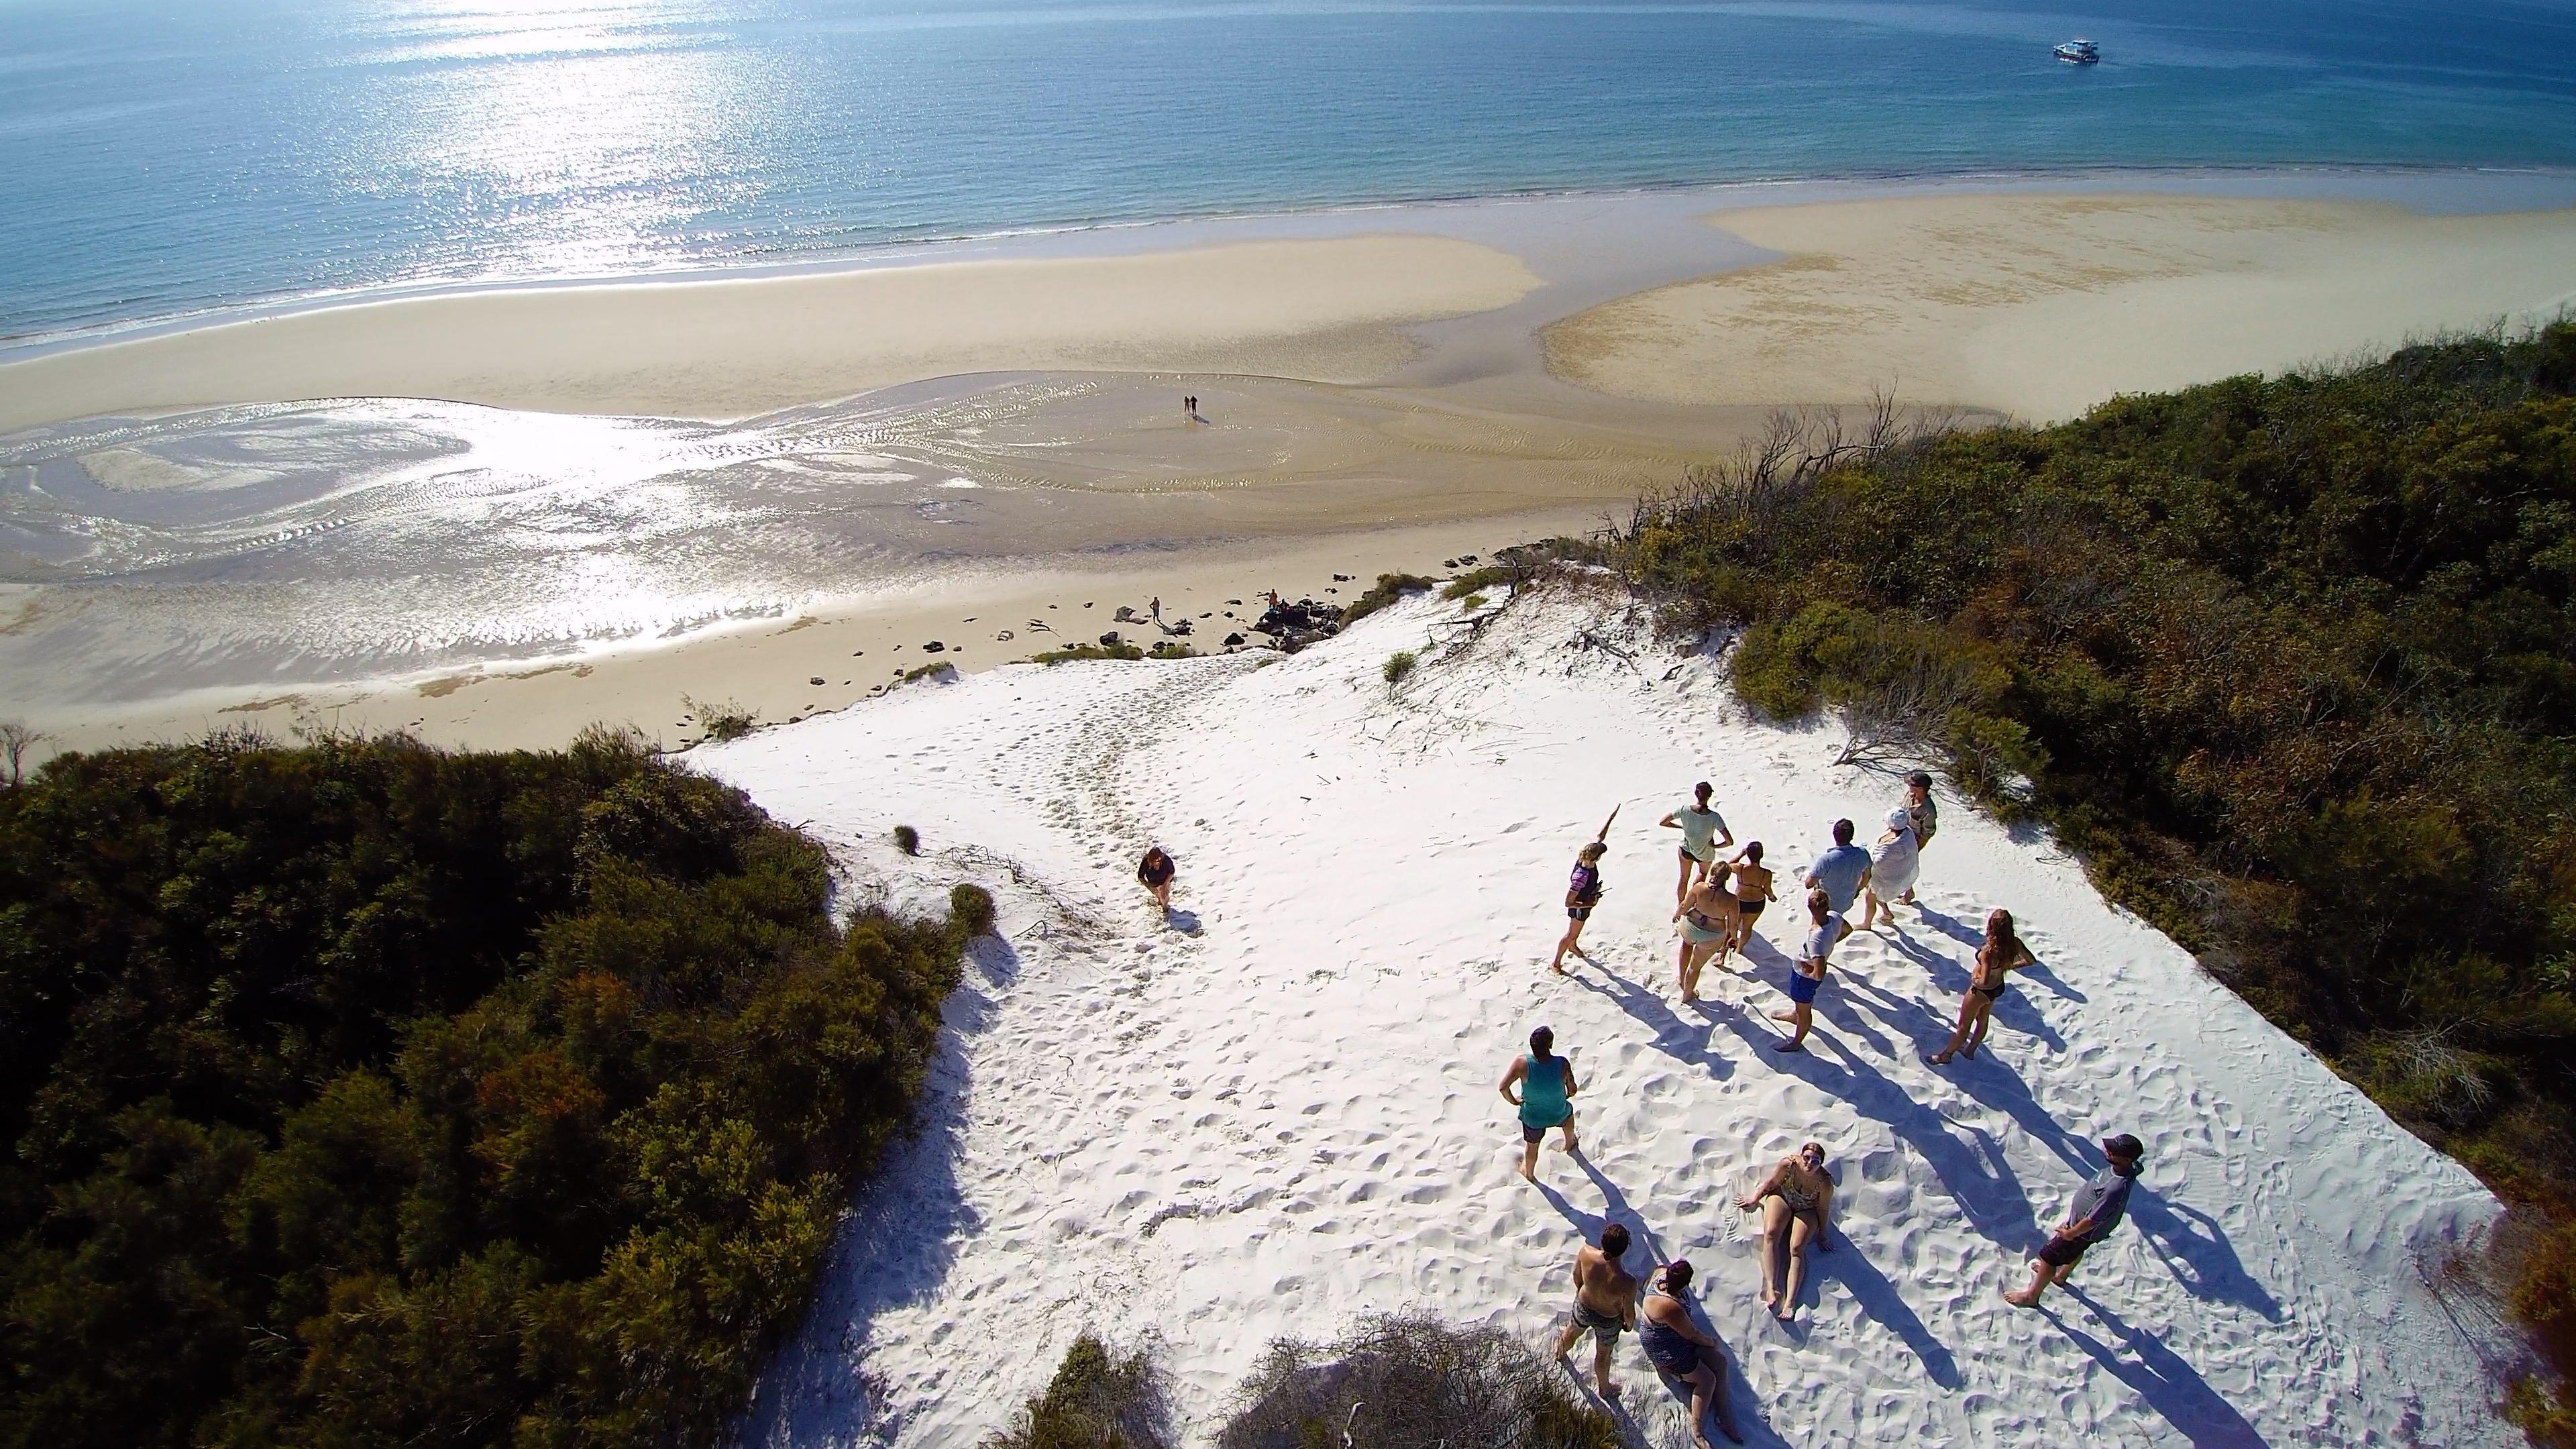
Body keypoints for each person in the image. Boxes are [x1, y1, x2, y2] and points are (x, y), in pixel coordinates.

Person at [2007, 1134, 2145, 1307]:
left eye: (2114, 1151)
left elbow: (2093, 1219)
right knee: (2076, 1250)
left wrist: (2070, 1233)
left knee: (2049, 1257)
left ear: (2125, 1159)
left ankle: (2031, 1297)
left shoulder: (2115, 1188)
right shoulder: (2129, 1168)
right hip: (2082, 1227)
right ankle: (2060, 1277)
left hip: (2082, 1230)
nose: (2108, 1151)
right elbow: (2138, 1167)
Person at [1638, 1261, 1743, 1446]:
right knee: (1707, 1380)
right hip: (1664, 1347)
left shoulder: (1660, 1274)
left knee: (1720, 1363)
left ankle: (1724, 1415)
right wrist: (1712, 1342)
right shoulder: (1672, 1307)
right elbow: (1692, 1335)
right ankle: (1698, 1431)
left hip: (1672, 1335)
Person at [1735, 1142, 1835, 1318]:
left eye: (1816, 1161)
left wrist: (1823, 1233)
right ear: (1801, 1156)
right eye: (1807, 1158)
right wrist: (1754, 1199)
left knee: (1796, 1248)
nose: (1809, 1164)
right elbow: (1772, 1183)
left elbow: (1823, 1208)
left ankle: (1790, 1302)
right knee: (1771, 1234)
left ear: (1821, 1164)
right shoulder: (1788, 1165)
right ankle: (1772, 1289)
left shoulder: (1824, 1182)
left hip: (1807, 1209)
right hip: (1783, 1197)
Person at [1926, 908, 2037, 1065]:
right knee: (1983, 1020)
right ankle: (1970, 1050)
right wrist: (2010, 966)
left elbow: (1984, 981)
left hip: (1981, 991)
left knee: (1963, 1027)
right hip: (1997, 987)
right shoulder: (2015, 943)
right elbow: (2030, 961)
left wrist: (1974, 980)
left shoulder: (1989, 952)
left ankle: (1946, 1056)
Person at [1552, 1222, 1639, 1400]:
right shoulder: (1627, 1281)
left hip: (1584, 1304)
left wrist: (1583, 1293)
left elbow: (1577, 1276)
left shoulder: (1586, 1253)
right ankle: (1604, 1388)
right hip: (1608, 1318)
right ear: (1624, 1250)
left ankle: (1559, 1353)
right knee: (1603, 1355)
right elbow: (1629, 1312)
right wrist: (1628, 1325)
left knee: (1570, 1333)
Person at [1500, 1025, 1580, 1181]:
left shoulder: (1521, 1063)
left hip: (1534, 1118)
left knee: (1531, 1148)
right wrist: (1567, 1095)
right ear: (1550, 1045)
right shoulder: (1562, 1064)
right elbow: (1573, 1090)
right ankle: (1569, 1144)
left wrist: (1515, 1101)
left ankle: (1529, 1173)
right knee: (1568, 1117)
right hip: (1559, 1111)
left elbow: (1503, 1087)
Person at [1771, 888, 1841, 1052]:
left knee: (1805, 1011)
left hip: (1805, 980)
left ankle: (1796, 1042)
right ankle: (1795, 1016)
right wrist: (1831, 943)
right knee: (1800, 1005)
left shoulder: (1817, 939)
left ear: (1810, 908)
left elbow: (1818, 974)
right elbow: (1847, 929)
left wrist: (1807, 969)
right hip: (1801, 973)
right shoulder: (1835, 917)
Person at [1671, 867, 1739, 1002]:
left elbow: (1685, 905)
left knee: (1686, 947)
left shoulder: (1699, 887)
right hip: (1712, 935)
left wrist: (1677, 915)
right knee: (1695, 967)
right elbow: (1733, 925)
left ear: (1712, 874)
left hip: (1691, 926)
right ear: (1727, 879)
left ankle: (1681, 978)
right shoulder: (1732, 900)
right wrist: (1734, 938)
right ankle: (1687, 995)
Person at [1660, 782, 1734, 906]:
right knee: (1702, 876)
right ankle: (1692, 902)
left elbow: (1663, 822)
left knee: (1683, 879)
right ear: (1710, 796)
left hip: (1686, 850)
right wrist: (1715, 846)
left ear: (1696, 794)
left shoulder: (1684, 810)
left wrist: (1682, 827)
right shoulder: (1715, 818)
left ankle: (1681, 906)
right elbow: (1729, 842)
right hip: (1705, 854)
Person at [1802, 819, 1870, 947]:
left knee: (1817, 931)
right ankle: (1826, 942)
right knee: (1834, 925)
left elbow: (1809, 884)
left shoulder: (1827, 859)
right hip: (1846, 902)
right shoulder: (1863, 854)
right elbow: (1867, 877)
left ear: (1834, 835)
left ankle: (1815, 951)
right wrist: (1858, 890)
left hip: (1824, 904)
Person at [1858, 806, 1920, 932]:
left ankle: (1867, 924)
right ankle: (1887, 913)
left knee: (1870, 896)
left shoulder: (1890, 848)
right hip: (1899, 872)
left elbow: (1876, 862)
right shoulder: (1908, 832)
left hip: (1887, 878)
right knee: (1873, 891)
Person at [1552, 841, 1608, 973]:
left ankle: (1573, 946)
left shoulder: (1586, 859)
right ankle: (1556, 963)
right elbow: (1568, 902)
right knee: (1571, 934)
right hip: (1579, 908)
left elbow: (1600, 836)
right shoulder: (1581, 877)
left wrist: (1611, 819)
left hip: (1585, 903)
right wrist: (1590, 903)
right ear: (1597, 857)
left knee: (1575, 933)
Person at [1727, 843, 1776, 953]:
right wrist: (1771, 897)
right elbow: (1768, 889)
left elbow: (1728, 865)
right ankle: (1739, 949)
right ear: (1761, 855)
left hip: (1740, 901)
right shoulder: (1766, 874)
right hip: (1756, 903)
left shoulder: (1740, 868)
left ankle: (1727, 948)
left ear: (1748, 855)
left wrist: (1741, 854)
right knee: (1747, 927)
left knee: (1733, 925)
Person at [1901, 772, 1938, 904]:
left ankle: (1908, 893)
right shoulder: (1910, 796)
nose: (1909, 787)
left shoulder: (1929, 810)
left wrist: (1916, 848)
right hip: (1900, 836)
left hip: (1912, 842)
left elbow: (1928, 832)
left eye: (1912, 785)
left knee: (1907, 867)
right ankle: (1906, 890)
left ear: (1921, 789)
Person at [1136, 847, 1176, 912]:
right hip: (1153, 881)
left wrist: (1165, 884)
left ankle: (1165, 908)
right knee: (1158, 894)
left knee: (1164, 895)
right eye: (1152, 862)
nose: (1154, 864)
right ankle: (1159, 900)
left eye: (1156, 861)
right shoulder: (1146, 861)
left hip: (1166, 880)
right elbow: (1140, 877)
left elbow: (1172, 872)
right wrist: (1149, 887)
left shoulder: (1166, 860)